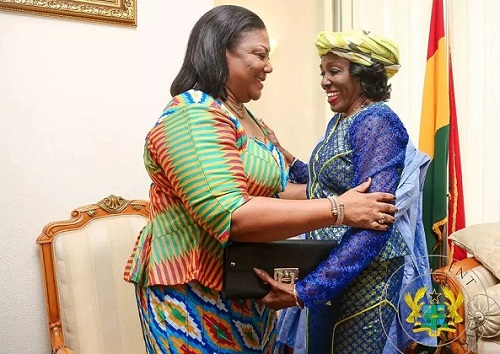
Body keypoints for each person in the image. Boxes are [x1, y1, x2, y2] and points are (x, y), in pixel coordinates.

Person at [123, 7, 399, 353]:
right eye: (260, 54)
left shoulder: (246, 116)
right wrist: (339, 208)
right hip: (194, 291)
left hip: (247, 289)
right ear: (222, 50)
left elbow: (278, 192)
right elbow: (233, 214)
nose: (269, 66)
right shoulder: (193, 114)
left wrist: (350, 197)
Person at [254, 30, 428, 353]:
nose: (324, 81)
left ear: (362, 75)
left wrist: (302, 292)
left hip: (367, 276)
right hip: (332, 266)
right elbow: (326, 185)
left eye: (334, 71)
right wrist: (285, 154)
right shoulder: (342, 120)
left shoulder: (377, 122)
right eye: (323, 72)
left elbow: (375, 222)